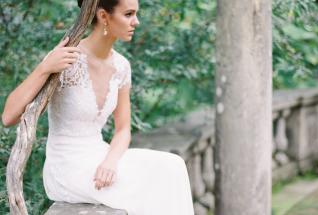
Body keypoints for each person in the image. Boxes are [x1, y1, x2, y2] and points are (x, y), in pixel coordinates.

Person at [1, 0, 195, 214]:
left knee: (173, 166)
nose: (136, 22)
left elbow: (123, 130)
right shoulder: (66, 59)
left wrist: (110, 161)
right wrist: (44, 68)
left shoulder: (121, 66)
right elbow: (8, 116)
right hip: (67, 167)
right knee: (148, 188)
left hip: (101, 155)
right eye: (129, 14)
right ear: (103, 16)